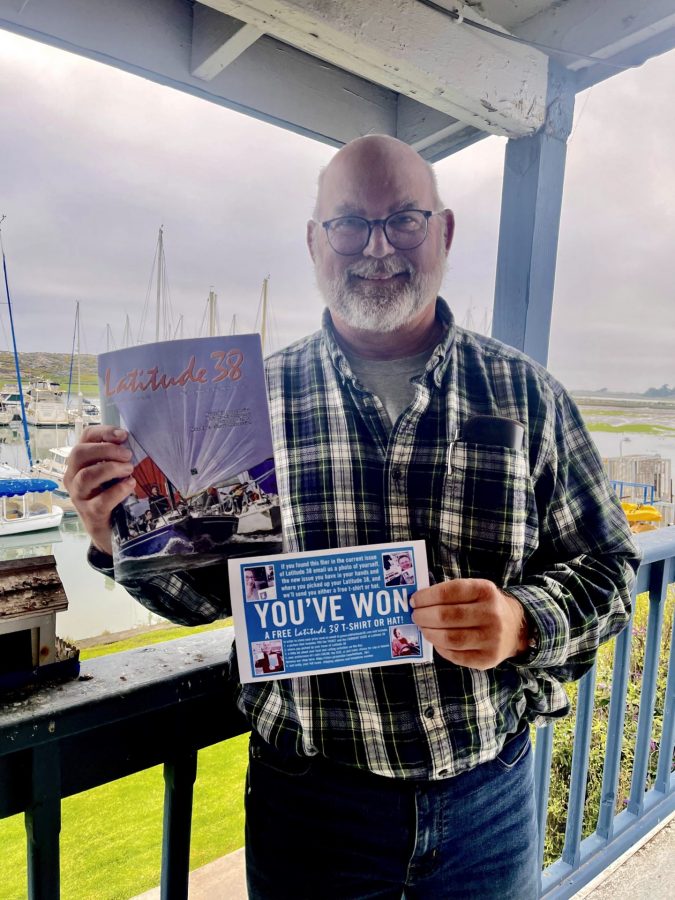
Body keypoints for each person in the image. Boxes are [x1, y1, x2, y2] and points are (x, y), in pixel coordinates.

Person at [64, 135, 640, 900]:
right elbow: (207, 595)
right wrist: (116, 536)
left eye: (403, 219)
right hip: (309, 806)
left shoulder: (526, 393)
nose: (375, 248)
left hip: (487, 799)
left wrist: (523, 620)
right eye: (347, 224)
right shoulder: (244, 407)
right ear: (313, 241)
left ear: (444, 231)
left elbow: (608, 565)